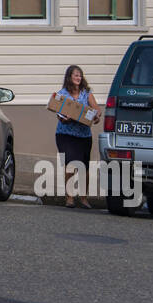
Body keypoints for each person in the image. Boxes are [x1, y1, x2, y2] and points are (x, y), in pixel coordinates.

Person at [54, 65, 101, 207]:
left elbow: (97, 109)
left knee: (85, 168)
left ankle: (84, 198)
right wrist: (64, 118)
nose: (78, 78)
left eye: (80, 75)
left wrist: (96, 116)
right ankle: (69, 197)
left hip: (84, 135)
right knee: (71, 164)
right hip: (65, 134)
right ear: (69, 77)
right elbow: (59, 114)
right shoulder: (62, 94)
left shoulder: (86, 93)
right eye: (75, 75)